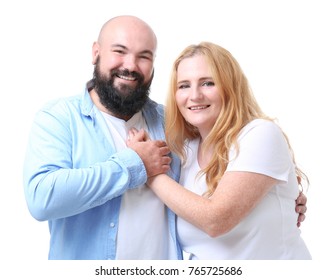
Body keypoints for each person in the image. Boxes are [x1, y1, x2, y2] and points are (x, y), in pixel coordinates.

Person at [23, 15, 307, 260]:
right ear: (96, 53)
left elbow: (235, 159)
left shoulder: (173, 123)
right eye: (119, 51)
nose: (130, 65)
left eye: (144, 56)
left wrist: (280, 194)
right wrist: (134, 164)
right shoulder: (58, 118)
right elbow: (42, 198)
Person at [127, 42, 311, 259]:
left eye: (207, 83)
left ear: (230, 87)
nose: (194, 95)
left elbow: (215, 221)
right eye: (184, 85)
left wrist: (151, 171)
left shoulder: (259, 134)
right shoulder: (185, 151)